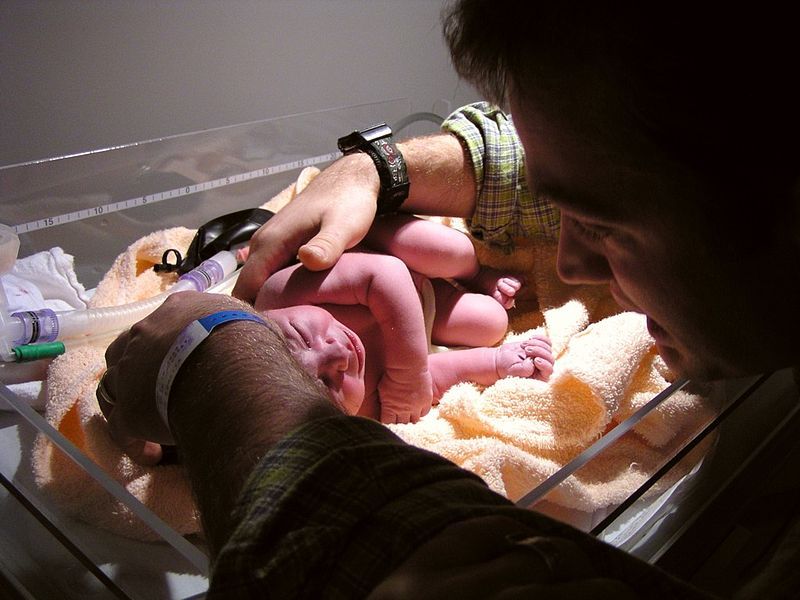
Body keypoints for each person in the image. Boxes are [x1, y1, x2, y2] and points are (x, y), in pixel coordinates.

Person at [98, 1, 799, 598]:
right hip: (411, 296)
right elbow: (598, 167)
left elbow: (415, 566)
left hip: (404, 287)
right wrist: (382, 167)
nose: (570, 267)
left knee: (464, 269)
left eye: (605, 227)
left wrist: (214, 365)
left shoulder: (283, 298)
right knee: (483, 306)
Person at [256, 213, 553, 423]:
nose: (336, 352)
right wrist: (494, 364)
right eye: (327, 382)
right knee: (491, 323)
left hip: (386, 257)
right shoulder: (354, 408)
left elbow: (385, 275)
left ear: (258, 318)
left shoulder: (281, 296)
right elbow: (420, 387)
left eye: (302, 337)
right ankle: (453, 294)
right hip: (425, 311)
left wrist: (406, 374)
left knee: (448, 250)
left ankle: (475, 274)